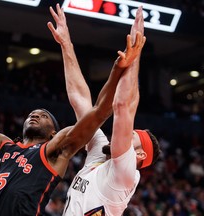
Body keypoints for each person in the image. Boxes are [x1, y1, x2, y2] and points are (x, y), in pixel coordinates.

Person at [0, 5, 145, 215]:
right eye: (34, 113)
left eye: (44, 115)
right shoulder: (1, 147)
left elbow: (99, 112)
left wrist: (117, 70)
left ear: (53, 133)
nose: (36, 114)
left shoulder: (54, 150)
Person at [48, 4, 161, 216]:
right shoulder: (100, 154)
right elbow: (80, 100)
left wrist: (134, 55)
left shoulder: (125, 174)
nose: (124, 133)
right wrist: (66, 44)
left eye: (131, 135)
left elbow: (123, 106)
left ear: (139, 154)